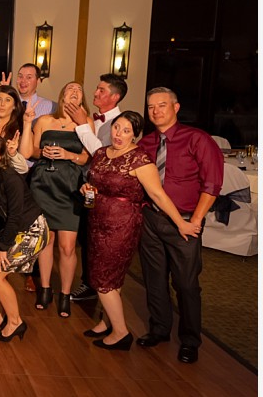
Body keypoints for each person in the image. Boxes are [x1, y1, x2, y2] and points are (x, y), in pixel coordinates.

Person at [81, 111, 200, 350]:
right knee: (110, 277)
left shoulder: (140, 159)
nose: (119, 134)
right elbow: (94, 182)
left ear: (135, 135)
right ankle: (106, 321)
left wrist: (180, 223)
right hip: (97, 220)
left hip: (122, 225)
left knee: (102, 277)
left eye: (126, 131)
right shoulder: (102, 154)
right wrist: (86, 189)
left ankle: (121, 332)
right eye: (117, 128)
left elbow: (158, 195)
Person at [136, 88, 223, 364]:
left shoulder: (197, 139)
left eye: (162, 105)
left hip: (185, 221)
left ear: (176, 107)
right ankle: (160, 329)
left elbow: (212, 184)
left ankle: (189, 340)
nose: (156, 111)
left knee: (186, 284)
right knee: (154, 279)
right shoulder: (146, 143)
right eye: (151, 107)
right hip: (151, 219)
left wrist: (195, 220)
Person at [21, 82, 90, 317]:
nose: (73, 91)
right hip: (44, 184)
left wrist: (68, 155)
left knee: (68, 247)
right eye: (69, 88)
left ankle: (65, 294)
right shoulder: (45, 121)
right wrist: (46, 152)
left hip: (70, 187)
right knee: (45, 241)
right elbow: (31, 151)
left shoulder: (85, 122)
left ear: (82, 97)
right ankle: (46, 289)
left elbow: (88, 157)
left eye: (78, 89)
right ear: (62, 94)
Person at [0, 134, 48, 343]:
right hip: (12, 230)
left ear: (0, 158)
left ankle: (16, 322)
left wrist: (2, 248)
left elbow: (15, 216)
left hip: (32, 229)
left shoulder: (11, 178)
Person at [65, 73, 128, 303]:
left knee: (97, 238)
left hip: (106, 191)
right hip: (85, 184)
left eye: (101, 90)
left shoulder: (120, 123)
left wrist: (83, 126)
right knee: (86, 235)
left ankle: (94, 285)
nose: (95, 93)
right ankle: (90, 282)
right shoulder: (92, 117)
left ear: (115, 96)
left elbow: (104, 155)